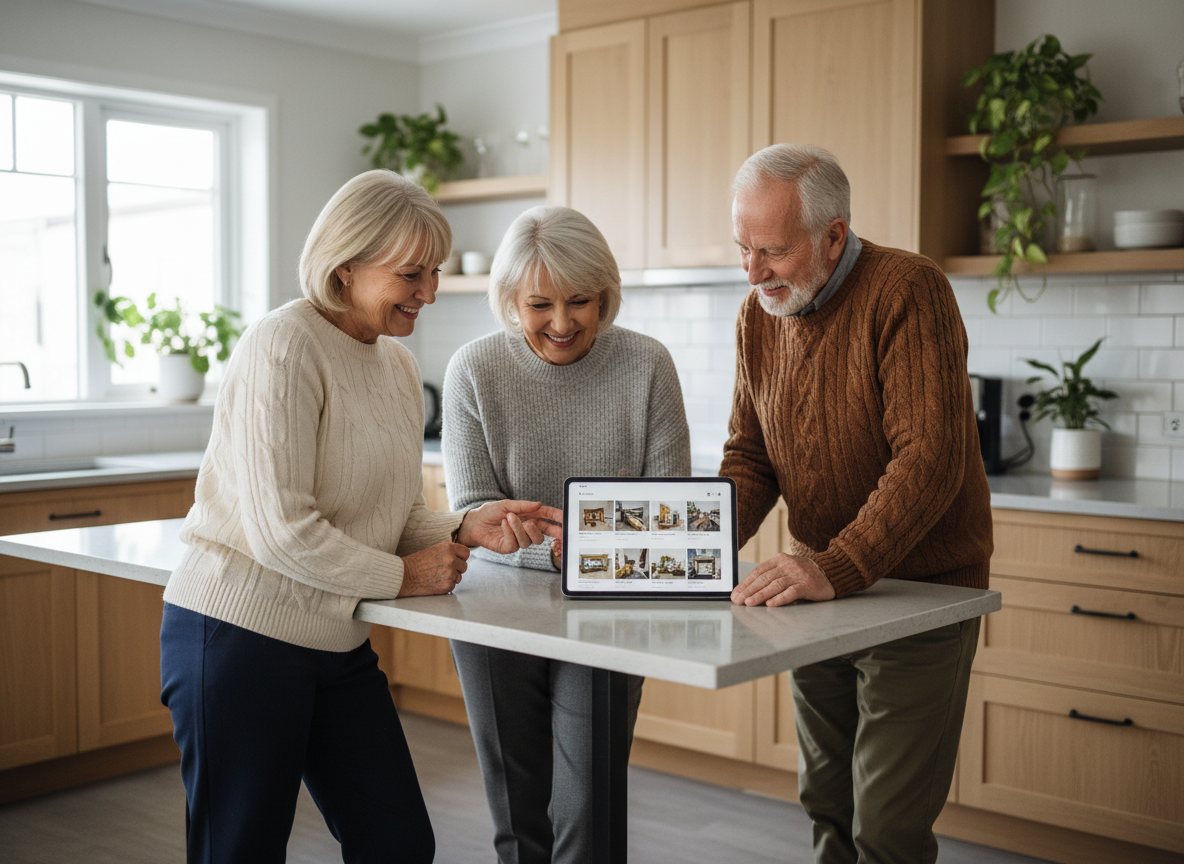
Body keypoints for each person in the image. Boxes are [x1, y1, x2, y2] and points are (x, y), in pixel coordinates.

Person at [159, 170, 562, 864]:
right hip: (239, 639)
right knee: (240, 850)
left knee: (398, 843)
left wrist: (463, 527)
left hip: (334, 643)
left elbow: (394, 513)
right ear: (344, 267)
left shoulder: (399, 369)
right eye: (411, 273)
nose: (430, 293)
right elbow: (284, 531)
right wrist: (403, 576)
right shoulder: (282, 346)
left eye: (434, 272)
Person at [721, 144, 993, 864]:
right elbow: (750, 457)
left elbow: (929, 458)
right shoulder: (759, 314)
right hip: (822, 591)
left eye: (772, 251)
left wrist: (837, 566)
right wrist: (695, 548)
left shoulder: (908, 288)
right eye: (742, 248)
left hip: (919, 591)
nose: (752, 273)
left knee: (886, 828)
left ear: (834, 234)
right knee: (828, 805)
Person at [442, 205, 691, 864]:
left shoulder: (646, 365)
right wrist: (517, 529)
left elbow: (671, 511)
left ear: (605, 293)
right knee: (518, 819)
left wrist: (591, 539)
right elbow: (469, 507)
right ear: (509, 301)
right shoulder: (473, 369)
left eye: (579, 300)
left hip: (607, 608)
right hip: (493, 611)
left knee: (589, 812)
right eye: (539, 304)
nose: (560, 322)